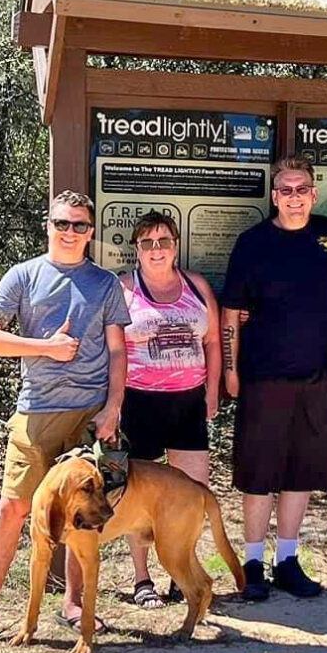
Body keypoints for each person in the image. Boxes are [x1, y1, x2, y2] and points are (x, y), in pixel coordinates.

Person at [0, 190, 130, 645]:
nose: (70, 232)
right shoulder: (22, 276)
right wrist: (45, 347)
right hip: (37, 410)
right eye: (62, 223)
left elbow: (117, 350)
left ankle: (72, 603)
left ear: (91, 232)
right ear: (47, 226)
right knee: (13, 508)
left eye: (80, 225)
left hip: (91, 412)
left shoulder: (105, 283)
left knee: (84, 512)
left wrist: (112, 408)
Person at [221, 156, 327, 600]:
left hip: (320, 378)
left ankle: (287, 559)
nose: (294, 197)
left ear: (314, 194)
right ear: (274, 195)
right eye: (286, 190)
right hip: (263, 377)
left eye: (302, 189)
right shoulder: (252, 244)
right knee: (259, 473)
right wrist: (229, 367)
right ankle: (253, 562)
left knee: (302, 471)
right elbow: (230, 313)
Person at [118, 210, 221, 609]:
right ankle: (142, 579)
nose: (156, 249)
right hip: (139, 403)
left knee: (192, 495)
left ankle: (183, 573)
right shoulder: (125, 288)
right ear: (137, 249)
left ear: (176, 245)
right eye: (147, 243)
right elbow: (113, 350)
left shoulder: (195, 286)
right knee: (136, 497)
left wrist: (212, 391)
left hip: (188, 404)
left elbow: (212, 341)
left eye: (164, 241)